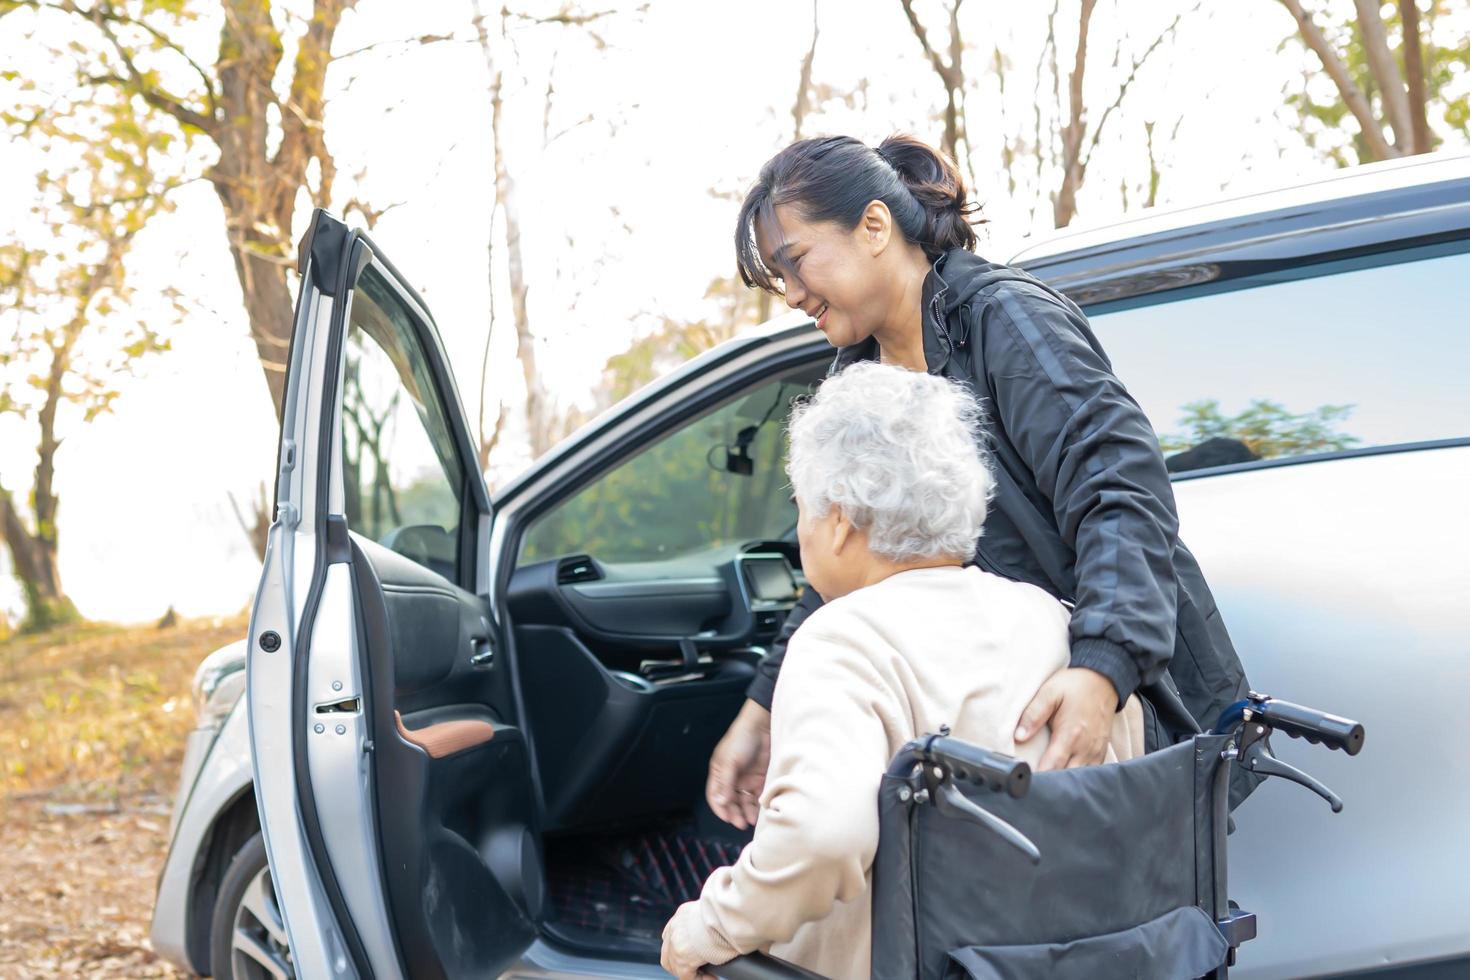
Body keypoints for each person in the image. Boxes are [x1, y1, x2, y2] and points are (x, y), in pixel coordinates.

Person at [706, 134, 1255, 835]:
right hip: (996, 728)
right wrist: (762, 709)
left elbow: (1120, 493)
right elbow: (844, 564)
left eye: (796, 262)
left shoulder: (1006, 321)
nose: (789, 293)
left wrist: (1102, 668)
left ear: (873, 227)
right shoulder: (858, 378)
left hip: (1110, 706)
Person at [660, 363, 1146, 979]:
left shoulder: (841, 638)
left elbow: (820, 840)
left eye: (802, 508)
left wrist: (708, 925)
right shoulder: (1052, 617)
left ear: (838, 520)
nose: (802, 530)